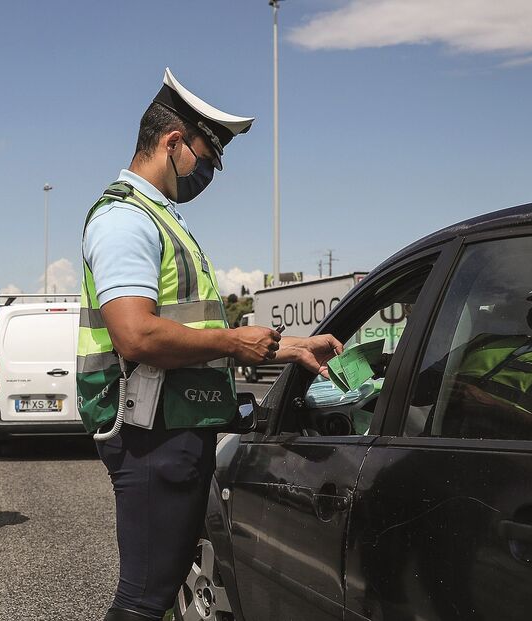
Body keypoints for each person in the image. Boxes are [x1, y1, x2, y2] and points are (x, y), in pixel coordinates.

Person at [76, 68, 342, 621]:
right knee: (144, 598)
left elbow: (189, 328)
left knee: (162, 588)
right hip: (151, 434)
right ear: (173, 142)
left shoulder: (158, 218)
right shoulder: (125, 221)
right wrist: (233, 343)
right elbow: (135, 332)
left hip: (171, 428)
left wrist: (287, 348)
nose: (209, 173)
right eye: (206, 157)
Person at [430, 268, 532, 440]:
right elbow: (414, 391)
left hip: (506, 463)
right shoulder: (486, 341)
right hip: (433, 454)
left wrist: (496, 410)